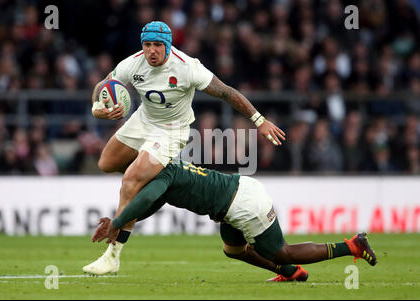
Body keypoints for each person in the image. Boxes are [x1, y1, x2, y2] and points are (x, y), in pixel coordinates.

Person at [83, 21, 286, 274]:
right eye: (147, 45)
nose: (152, 51)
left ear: (168, 45)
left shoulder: (187, 67)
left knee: (131, 180)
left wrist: (260, 120)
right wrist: (97, 108)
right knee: (106, 164)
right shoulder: (132, 63)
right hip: (144, 120)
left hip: (171, 129)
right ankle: (154, 170)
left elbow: (226, 92)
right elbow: (102, 86)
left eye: (158, 45)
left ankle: (113, 256)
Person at [84, 159, 378, 281]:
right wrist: (121, 222)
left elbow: (146, 200)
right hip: (234, 199)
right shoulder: (163, 173)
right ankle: (292, 273)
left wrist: (117, 220)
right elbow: (149, 205)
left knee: (281, 250)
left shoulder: (161, 174)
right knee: (233, 250)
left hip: (243, 204)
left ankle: (351, 245)